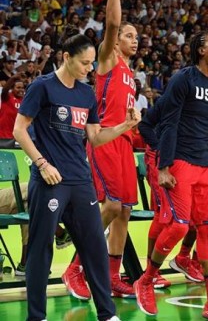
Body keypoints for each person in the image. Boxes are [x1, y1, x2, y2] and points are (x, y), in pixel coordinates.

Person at [12, 33, 140, 321]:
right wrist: (42, 164)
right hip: (50, 182)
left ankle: (107, 315)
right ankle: (37, 316)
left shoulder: (85, 93)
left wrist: (125, 126)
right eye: (84, 63)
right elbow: (19, 130)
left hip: (81, 182)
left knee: (95, 247)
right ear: (67, 58)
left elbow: (95, 138)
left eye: (92, 64)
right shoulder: (42, 87)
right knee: (40, 249)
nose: (89, 69)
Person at [133, 30, 208, 320]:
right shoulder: (185, 78)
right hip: (179, 162)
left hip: (205, 166)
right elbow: (167, 123)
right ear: (199, 51)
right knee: (179, 227)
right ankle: (146, 280)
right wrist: (163, 166)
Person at [62, 0, 139, 300]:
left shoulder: (131, 73)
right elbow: (111, 20)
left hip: (124, 142)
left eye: (136, 37)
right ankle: (75, 268)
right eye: (129, 35)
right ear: (116, 40)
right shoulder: (107, 59)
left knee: (124, 212)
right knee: (111, 205)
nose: (134, 40)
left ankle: (109, 276)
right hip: (104, 141)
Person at [138, 98, 204, 287]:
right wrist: (160, 147)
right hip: (160, 159)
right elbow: (144, 126)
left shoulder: (201, 101)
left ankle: (183, 257)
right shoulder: (168, 102)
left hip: (185, 157)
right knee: (162, 215)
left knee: (196, 214)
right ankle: (151, 270)